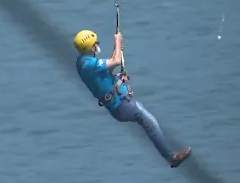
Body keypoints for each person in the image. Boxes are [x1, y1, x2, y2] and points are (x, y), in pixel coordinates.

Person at [73, 29, 192, 168]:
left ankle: (170, 156)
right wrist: (118, 41)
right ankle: (171, 157)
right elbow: (116, 61)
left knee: (145, 116)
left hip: (120, 101)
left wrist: (117, 49)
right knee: (148, 120)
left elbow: (107, 69)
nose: (98, 45)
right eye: (96, 43)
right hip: (119, 106)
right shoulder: (88, 65)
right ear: (90, 47)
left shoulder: (84, 61)